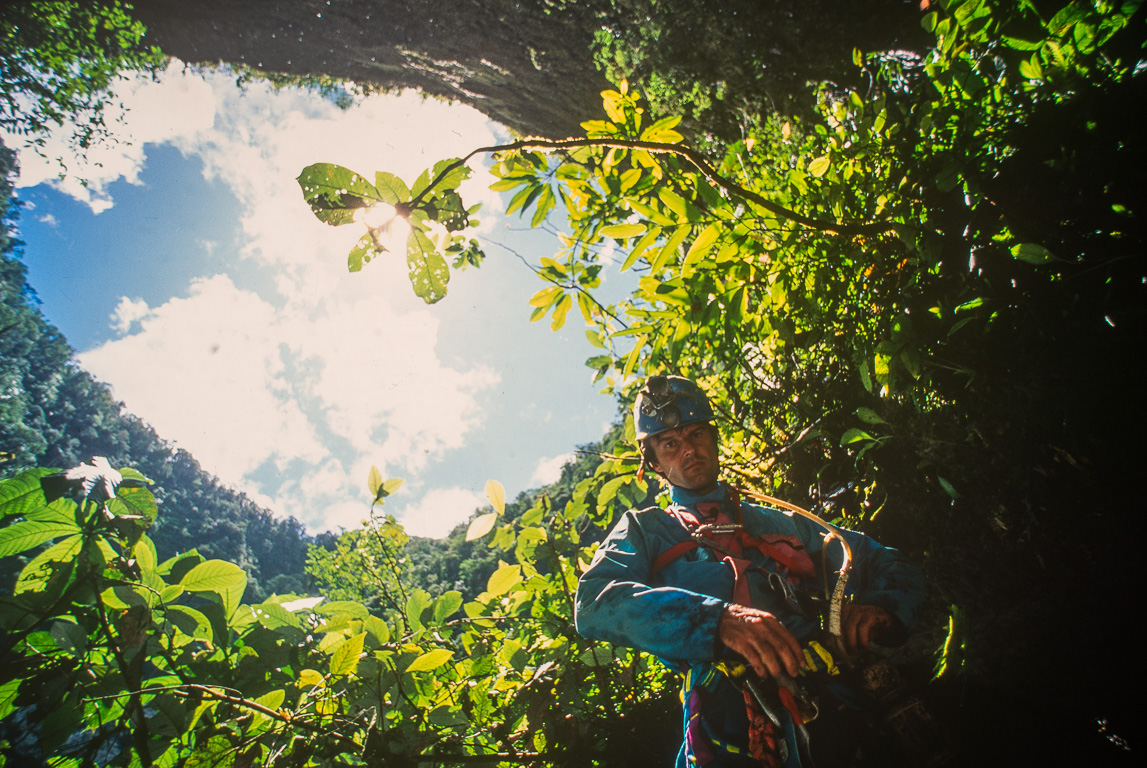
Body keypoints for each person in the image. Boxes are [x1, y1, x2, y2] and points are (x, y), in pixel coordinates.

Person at [575, 375, 926, 767]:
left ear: (714, 437)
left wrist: (879, 605)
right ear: (653, 462)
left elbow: (886, 560)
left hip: (841, 700)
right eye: (670, 444)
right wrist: (717, 620)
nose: (688, 450)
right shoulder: (645, 530)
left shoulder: (782, 521)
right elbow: (593, 602)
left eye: (696, 434)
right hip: (729, 728)